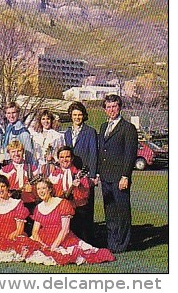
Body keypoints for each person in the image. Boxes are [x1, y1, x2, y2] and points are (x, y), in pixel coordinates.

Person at [27, 178, 114, 265]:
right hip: (44, 238)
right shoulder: (39, 207)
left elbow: (65, 230)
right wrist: (42, 245)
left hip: (62, 238)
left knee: (70, 255)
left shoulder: (62, 203)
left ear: (49, 189)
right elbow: (35, 231)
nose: (41, 191)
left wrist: (53, 247)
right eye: (38, 189)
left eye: (43, 188)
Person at [97, 94, 138, 253]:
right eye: (108, 107)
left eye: (114, 106)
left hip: (120, 177)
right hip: (106, 177)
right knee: (110, 212)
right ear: (104, 109)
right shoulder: (103, 127)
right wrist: (99, 173)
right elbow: (102, 151)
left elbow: (130, 154)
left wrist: (125, 176)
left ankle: (122, 244)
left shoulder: (128, 128)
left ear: (119, 107)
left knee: (122, 211)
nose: (111, 110)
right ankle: (112, 242)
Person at [63, 101, 98, 243]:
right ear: (71, 116)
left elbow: (93, 154)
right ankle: (73, 239)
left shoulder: (90, 132)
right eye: (74, 115)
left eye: (79, 115)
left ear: (83, 116)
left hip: (84, 174)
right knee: (72, 208)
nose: (77, 117)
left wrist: (92, 176)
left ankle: (87, 240)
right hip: (70, 174)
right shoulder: (66, 133)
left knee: (85, 208)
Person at [0, 175, 33, 261]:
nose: (0, 189)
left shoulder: (17, 204)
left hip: (13, 237)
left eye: (3, 186)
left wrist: (7, 240)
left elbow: (19, 229)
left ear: (7, 187)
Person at [48, 146, 91, 243]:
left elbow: (85, 194)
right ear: (58, 159)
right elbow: (51, 193)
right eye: (61, 157)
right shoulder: (54, 174)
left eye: (67, 157)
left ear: (72, 158)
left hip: (78, 210)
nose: (64, 159)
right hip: (61, 210)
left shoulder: (79, 173)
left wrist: (79, 186)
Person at [0, 140, 39, 217]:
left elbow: (39, 189)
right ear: (9, 154)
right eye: (13, 152)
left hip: (29, 203)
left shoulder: (32, 169)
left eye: (19, 151)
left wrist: (33, 188)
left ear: (23, 152)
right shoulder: (4, 171)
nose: (16, 154)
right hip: (11, 204)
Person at [30, 109, 65, 176]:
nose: (46, 121)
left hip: (53, 167)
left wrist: (53, 158)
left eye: (48, 119)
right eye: (43, 119)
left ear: (51, 120)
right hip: (38, 168)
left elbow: (61, 154)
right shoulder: (35, 137)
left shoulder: (57, 136)